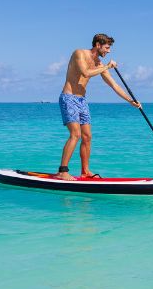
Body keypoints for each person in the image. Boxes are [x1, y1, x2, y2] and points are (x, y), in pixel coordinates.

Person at [56, 33, 140, 180]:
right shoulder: (79, 53)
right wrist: (107, 66)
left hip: (82, 101)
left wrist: (130, 100)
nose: (108, 51)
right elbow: (85, 72)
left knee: (87, 137)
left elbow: (114, 85)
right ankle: (62, 171)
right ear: (97, 45)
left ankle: (85, 171)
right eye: (107, 47)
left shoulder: (100, 64)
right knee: (75, 134)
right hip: (69, 98)